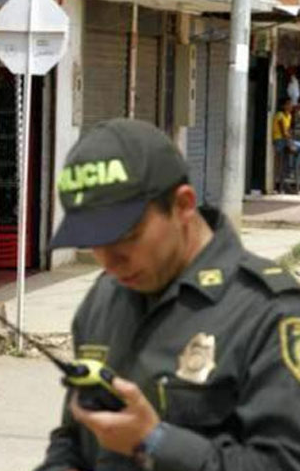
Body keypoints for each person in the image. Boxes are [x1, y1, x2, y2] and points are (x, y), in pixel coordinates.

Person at [36, 118, 300, 470]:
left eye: (127, 238)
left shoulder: (269, 312)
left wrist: (156, 440)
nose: (110, 261)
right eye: (94, 243)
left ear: (183, 205)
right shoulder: (103, 298)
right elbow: (75, 433)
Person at [272, 97, 300, 192]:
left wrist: (290, 140)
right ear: (283, 106)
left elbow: (288, 131)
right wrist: (290, 142)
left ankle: (293, 170)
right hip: (279, 140)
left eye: (291, 104)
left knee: (296, 148)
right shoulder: (280, 115)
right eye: (288, 104)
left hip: (285, 140)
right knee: (295, 149)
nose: (290, 106)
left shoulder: (289, 116)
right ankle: (292, 171)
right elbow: (283, 132)